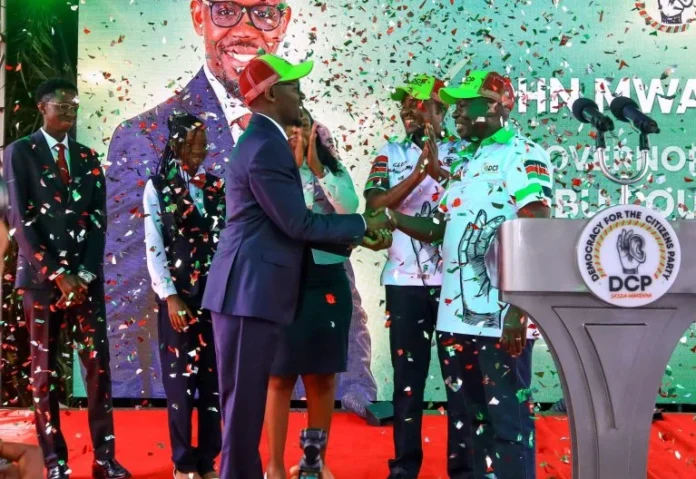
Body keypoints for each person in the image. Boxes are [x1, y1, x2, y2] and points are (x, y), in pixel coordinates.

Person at [106, 0, 377, 407]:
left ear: (283, 22)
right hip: (203, 377)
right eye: (227, 9)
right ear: (198, 15)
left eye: (264, 12)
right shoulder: (143, 136)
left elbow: (333, 265)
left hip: (298, 367)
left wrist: (354, 388)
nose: (246, 29)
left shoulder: (311, 132)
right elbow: (125, 298)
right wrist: (142, 410)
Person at [200, 54, 393, 479]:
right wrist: (364, 225)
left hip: (253, 289)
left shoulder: (262, 140)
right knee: (244, 407)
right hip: (248, 291)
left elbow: (290, 223)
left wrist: (355, 233)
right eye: (292, 86)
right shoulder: (267, 146)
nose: (300, 94)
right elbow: (297, 223)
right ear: (271, 93)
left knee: (244, 406)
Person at [392, 71, 553, 479]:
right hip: (454, 318)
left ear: (496, 106)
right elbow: (441, 228)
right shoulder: (465, 159)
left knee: (507, 421)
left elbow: (537, 226)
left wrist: (519, 306)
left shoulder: (521, 153)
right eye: (456, 104)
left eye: (466, 103)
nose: (457, 112)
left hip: (501, 319)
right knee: (467, 423)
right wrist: (390, 219)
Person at [3, 78, 130, 479]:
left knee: (98, 370)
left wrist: (84, 274)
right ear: (42, 107)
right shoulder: (19, 152)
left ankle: (104, 459)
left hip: (85, 283)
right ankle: (55, 462)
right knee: (44, 374)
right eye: (62, 106)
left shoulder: (88, 157)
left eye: (74, 106)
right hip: (42, 283)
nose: (70, 112)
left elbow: (98, 220)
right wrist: (59, 275)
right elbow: (19, 218)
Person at [364, 74, 469, 479]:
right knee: (408, 380)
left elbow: (469, 201)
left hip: (456, 283)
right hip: (404, 284)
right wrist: (418, 175)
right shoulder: (389, 152)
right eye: (404, 105)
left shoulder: (465, 151)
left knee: (459, 380)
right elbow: (375, 206)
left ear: (441, 110)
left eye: (419, 104)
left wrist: (438, 170)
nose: (408, 111)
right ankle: (405, 466)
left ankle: (464, 469)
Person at [264, 107, 361, 479]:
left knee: (322, 375)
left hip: (327, 278)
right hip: (282, 280)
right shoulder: (271, 170)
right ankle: (274, 465)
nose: (298, 131)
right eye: (291, 126)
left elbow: (349, 208)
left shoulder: (331, 168)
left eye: (304, 124)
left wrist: (317, 168)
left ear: (315, 130)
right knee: (279, 376)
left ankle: (314, 463)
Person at [143, 113, 224, 479]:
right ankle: (184, 463)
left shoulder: (218, 186)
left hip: (216, 299)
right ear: (176, 144)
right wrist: (170, 295)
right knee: (180, 384)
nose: (199, 150)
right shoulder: (158, 186)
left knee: (212, 384)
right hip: (179, 300)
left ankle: (208, 460)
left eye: (203, 144)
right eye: (193, 143)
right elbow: (154, 244)